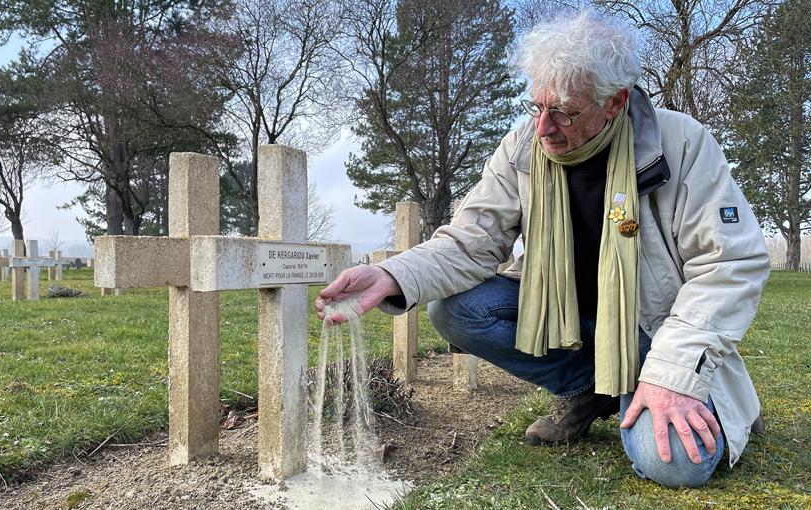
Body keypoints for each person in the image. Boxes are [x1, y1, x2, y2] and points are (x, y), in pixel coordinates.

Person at [315, 11, 769, 488]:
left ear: (614, 102)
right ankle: (593, 390)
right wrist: (392, 276)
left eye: (564, 112)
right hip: (575, 323)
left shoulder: (682, 144)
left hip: (653, 331)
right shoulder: (522, 147)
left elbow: (729, 265)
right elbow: (472, 239)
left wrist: (672, 373)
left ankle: (705, 397)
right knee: (456, 311)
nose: (544, 128)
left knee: (674, 464)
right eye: (537, 107)